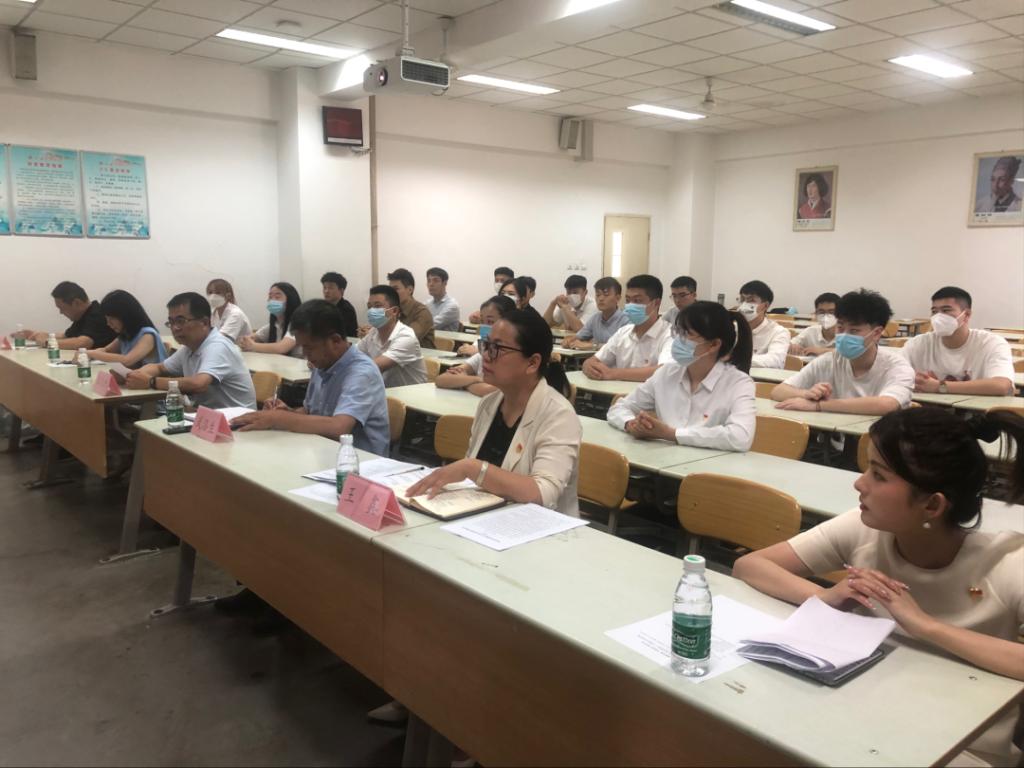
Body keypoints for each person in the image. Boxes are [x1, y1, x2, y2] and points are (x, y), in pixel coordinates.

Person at [733, 406, 1024, 766]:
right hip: (864, 719)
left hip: (964, 750)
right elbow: (750, 565)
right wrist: (823, 596)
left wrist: (926, 626)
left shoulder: (1007, 561)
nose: (859, 483)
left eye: (878, 475)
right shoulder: (864, 528)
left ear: (932, 505)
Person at [405, 308, 582, 517]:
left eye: (497, 348)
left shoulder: (559, 415)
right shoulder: (489, 403)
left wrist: (474, 468)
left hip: (539, 527)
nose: (486, 356)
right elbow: (474, 481)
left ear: (532, 363)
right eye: (487, 345)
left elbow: (544, 493)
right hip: (486, 517)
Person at [231, 300, 389, 454]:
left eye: (309, 347)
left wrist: (278, 418)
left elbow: (339, 427)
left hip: (359, 460)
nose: (305, 355)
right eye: (302, 347)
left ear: (335, 340)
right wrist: (287, 411)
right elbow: (309, 412)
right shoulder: (322, 363)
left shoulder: (362, 372)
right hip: (322, 450)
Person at [608, 301, 755, 451]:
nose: (678, 340)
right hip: (663, 460)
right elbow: (619, 407)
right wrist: (631, 424)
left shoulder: (739, 383)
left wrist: (671, 434)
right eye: (678, 332)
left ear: (714, 345)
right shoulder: (666, 373)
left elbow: (740, 437)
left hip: (707, 463)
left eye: (687, 334)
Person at [771, 289, 914, 415]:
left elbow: (887, 404)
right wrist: (807, 394)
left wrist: (819, 405)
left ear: (876, 333)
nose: (844, 335)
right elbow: (778, 391)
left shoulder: (897, 366)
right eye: (840, 328)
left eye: (854, 330)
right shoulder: (829, 360)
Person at [125, 292, 256, 410]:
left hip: (236, 422)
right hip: (206, 418)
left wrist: (151, 382)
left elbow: (199, 384)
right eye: (171, 322)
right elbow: (159, 367)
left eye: (181, 321)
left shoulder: (218, 346)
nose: (175, 328)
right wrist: (135, 376)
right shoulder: (189, 347)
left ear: (204, 323)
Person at [902, 286, 1015, 397]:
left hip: (976, 409)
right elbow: (896, 375)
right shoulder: (918, 344)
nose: (938, 317)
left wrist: (939, 386)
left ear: (967, 315)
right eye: (934, 311)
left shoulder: (991, 343)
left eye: (946, 310)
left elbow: (1001, 385)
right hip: (927, 408)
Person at [582, 274, 671, 382]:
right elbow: (594, 360)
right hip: (616, 392)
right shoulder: (623, 332)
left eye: (637, 300)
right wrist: (588, 366)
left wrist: (612, 373)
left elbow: (665, 371)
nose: (630, 305)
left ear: (656, 303)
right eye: (628, 300)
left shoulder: (670, 334)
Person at [436, 295, 515, 398]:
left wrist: (464, 381)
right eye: (482, 321)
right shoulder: (482, 354)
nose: (484, 326)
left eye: (490, 322)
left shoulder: (510, 357)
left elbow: (492, 391)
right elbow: (442, 379)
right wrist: (477, 379)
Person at [357, 285, 428, 387]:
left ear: (394, 311)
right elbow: (353, 356)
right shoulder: (373, 333)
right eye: (369, 307)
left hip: (411, 396)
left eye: (377, 306)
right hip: (386, 393)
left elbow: (374, 367)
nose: (371, 311)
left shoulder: (406, 337)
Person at [14, 281, 116, 350]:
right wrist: (36, 335)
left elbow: (82, 343)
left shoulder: (97, 314)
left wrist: (46, 341)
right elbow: (66, 336)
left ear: (76, 303)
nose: (61, 312)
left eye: (62, 308)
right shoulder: (82, 316)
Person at [86, 290, 168, 368]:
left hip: (153, 378)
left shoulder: (147, 335)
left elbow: (127, 360)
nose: (108, 323)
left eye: (111, 318)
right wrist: (85, 354)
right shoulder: (126, 334)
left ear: (125, 315)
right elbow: (106, 350)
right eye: (106, 319)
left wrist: (92, 354)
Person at [564, 276, 630, 350]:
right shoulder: (595, 318)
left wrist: (593, 346)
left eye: (606, 295)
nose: (600, 299)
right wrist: (569, 340)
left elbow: (621, 347)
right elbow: (579, 336)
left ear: (617, 298)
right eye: (598, 295)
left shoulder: (626, 320)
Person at [238, 282, 302, 358]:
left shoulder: (299, 323)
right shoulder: (275, 324)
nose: (272, 301)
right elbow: (253, 337)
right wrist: (246, 340)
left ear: (291, 300)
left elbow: (282, 348)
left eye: (277, 297)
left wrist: (253, 346)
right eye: (270, 297)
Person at [737, 280, 790, 369]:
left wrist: (736, 360)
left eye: (752, 300)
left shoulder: (779, 332)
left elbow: (775, 361)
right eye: (742, 299)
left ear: (765, 306)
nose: (744, 304)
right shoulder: (732, 328)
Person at [379, 268, 435, 349]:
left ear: (410, 290)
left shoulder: (422, 312)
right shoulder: (392, 310)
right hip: (396, 353)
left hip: (422, 356)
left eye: (396, 289)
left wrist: (379, 334)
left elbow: (406, 338)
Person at [789, 292, 840, 356]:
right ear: (815, 314)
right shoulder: (810, 331)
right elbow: (790, 344)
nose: (826, 316)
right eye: (821, 312)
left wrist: (823, 351)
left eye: (831, 312)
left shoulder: (846, 334)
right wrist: (792, 346)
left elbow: (850, 354)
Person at [320, 272, 359, 339]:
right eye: (324, 287)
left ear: (341, 290)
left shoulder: (347, 309)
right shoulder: (321, 307)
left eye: (330, 288)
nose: (326, 291)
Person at [424, 267, 461, 332]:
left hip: (444, 339)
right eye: (429, 281)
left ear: (445, 283)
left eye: (435, 280)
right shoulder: (427, 304)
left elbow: (431, 325)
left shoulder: (452, 306)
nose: (431, 284)